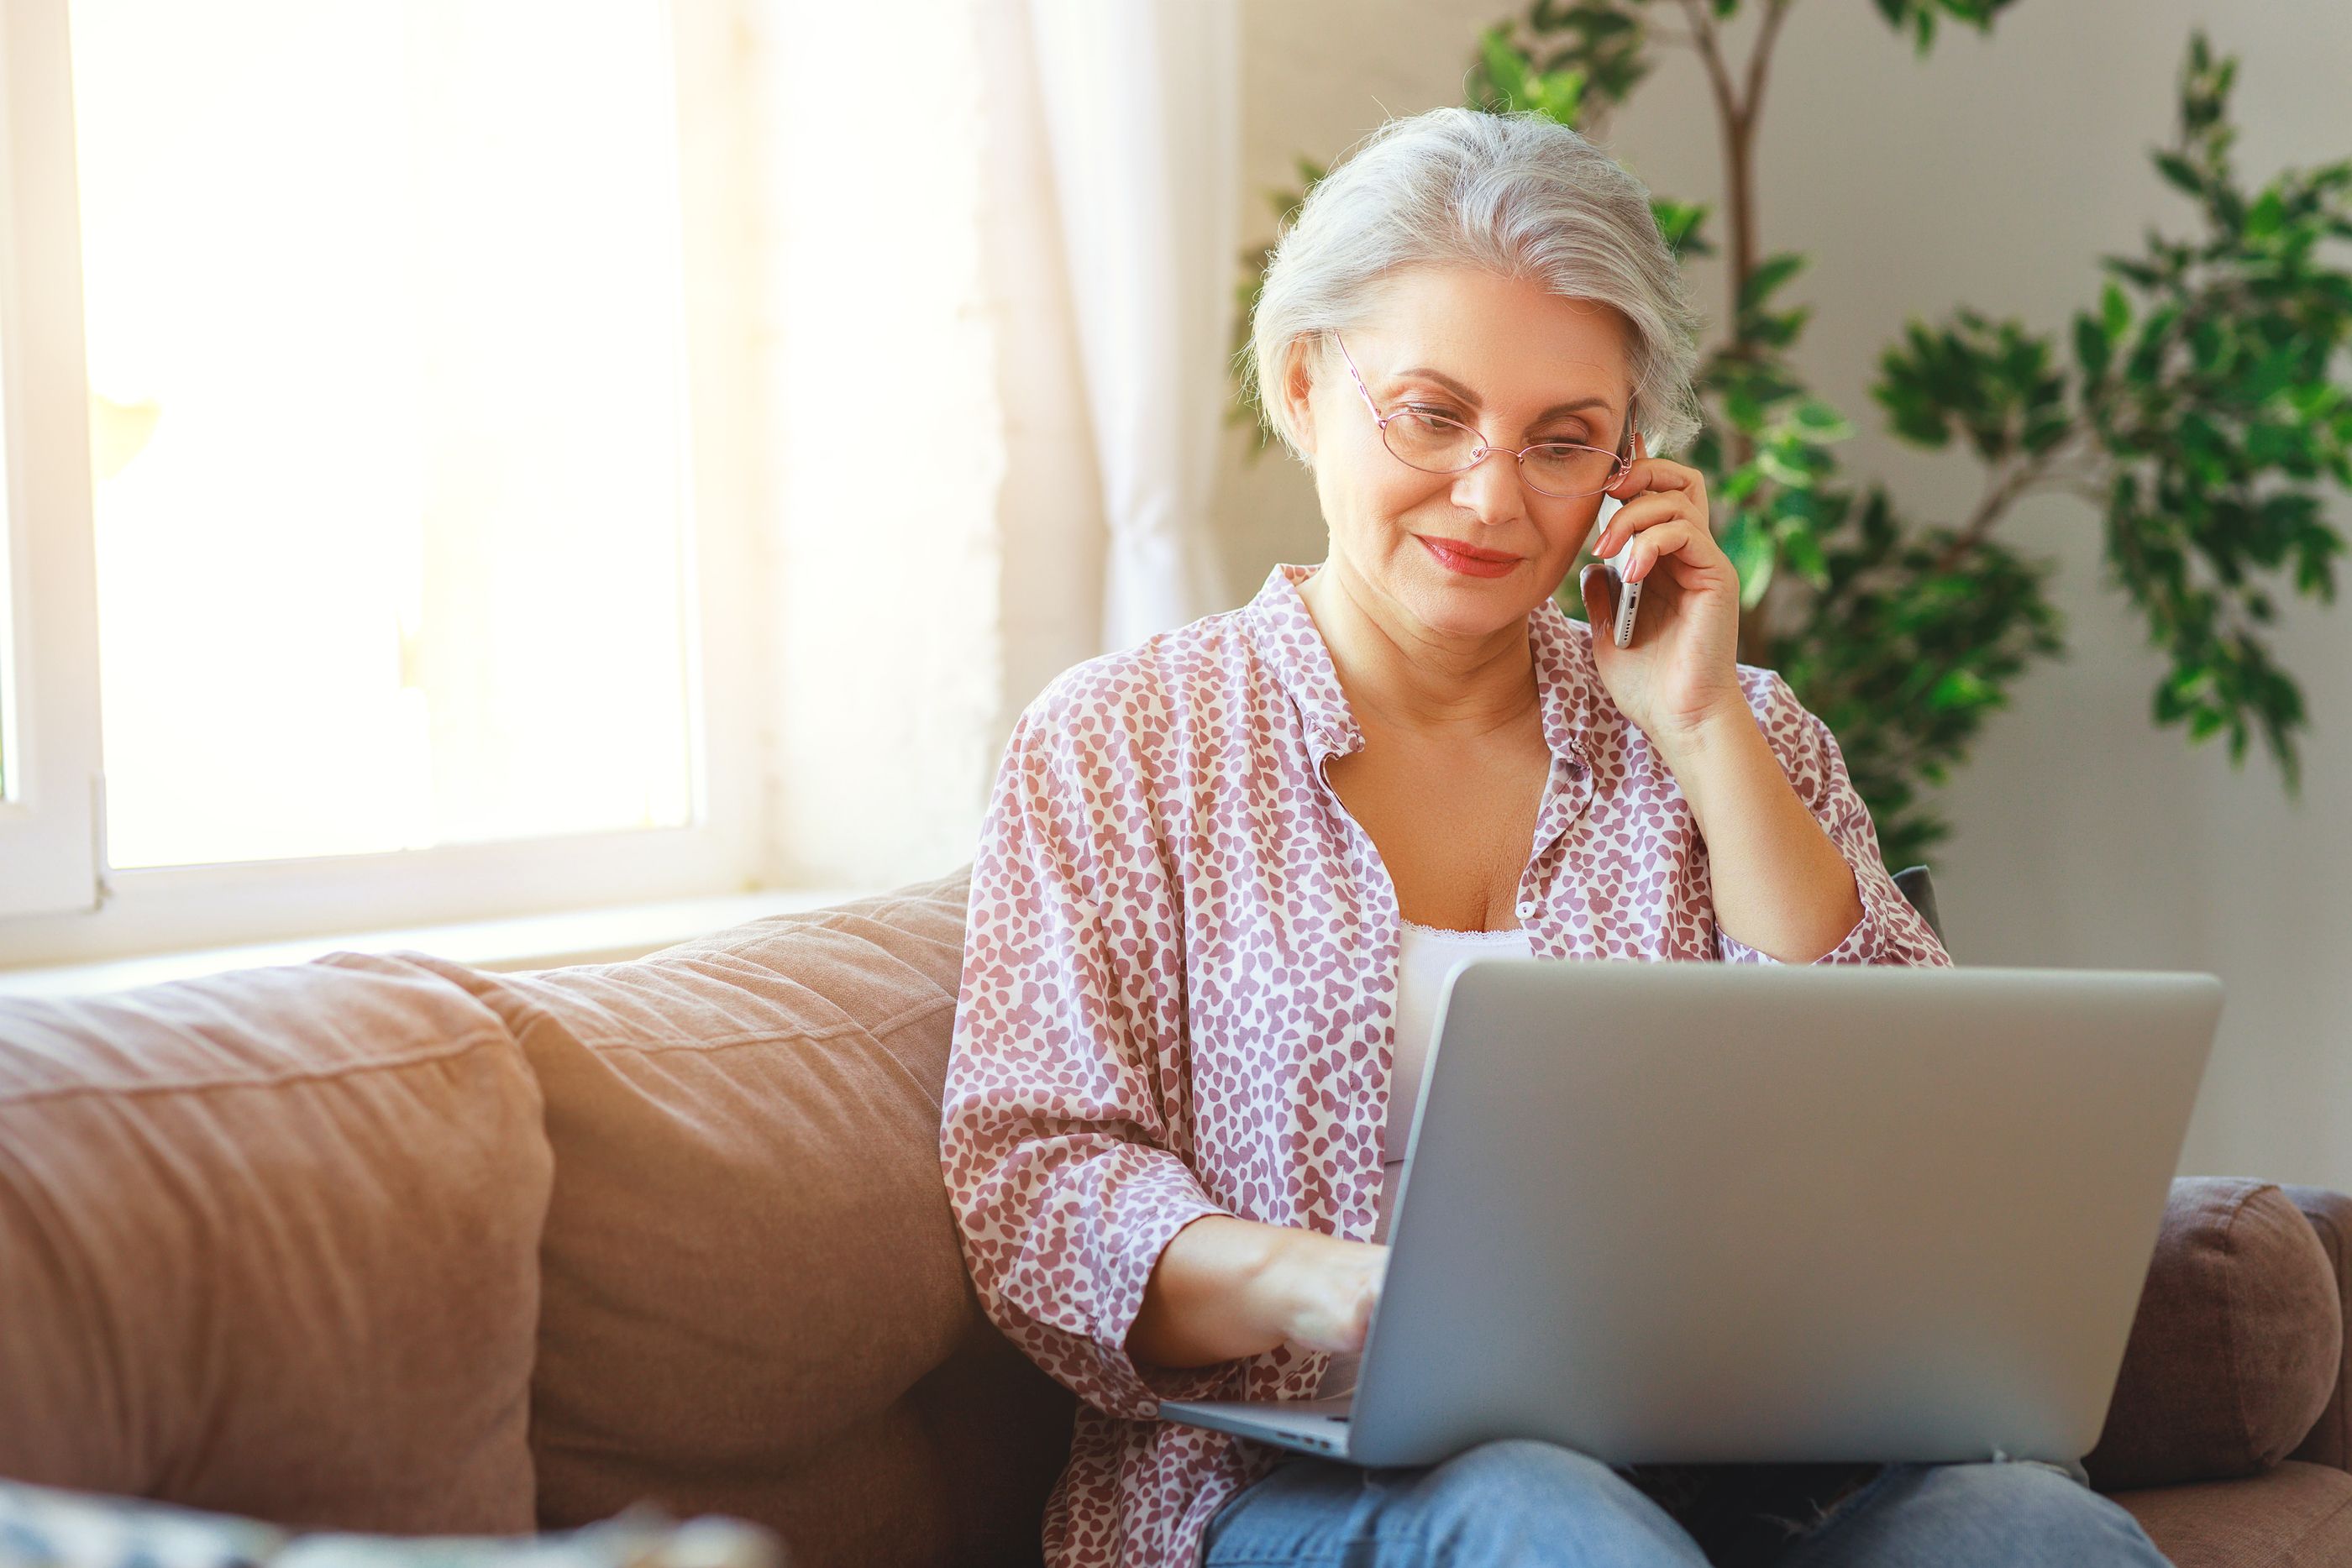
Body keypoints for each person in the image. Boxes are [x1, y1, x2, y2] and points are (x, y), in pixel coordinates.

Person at [939, 106, 2168, 1567]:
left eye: (1560, 441)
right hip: (1283, 1492)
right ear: (1303, 384)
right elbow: (1038, 1178)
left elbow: (1916, 1128)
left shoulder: (1736, 728)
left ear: (1629, 467)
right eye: (1431, 413)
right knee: (1544, 1516)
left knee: (2032, 1530)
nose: (1489, 495)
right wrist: (1337, 1287)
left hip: (1731, 1477)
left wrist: (1702, 725)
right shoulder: (1126, 744)